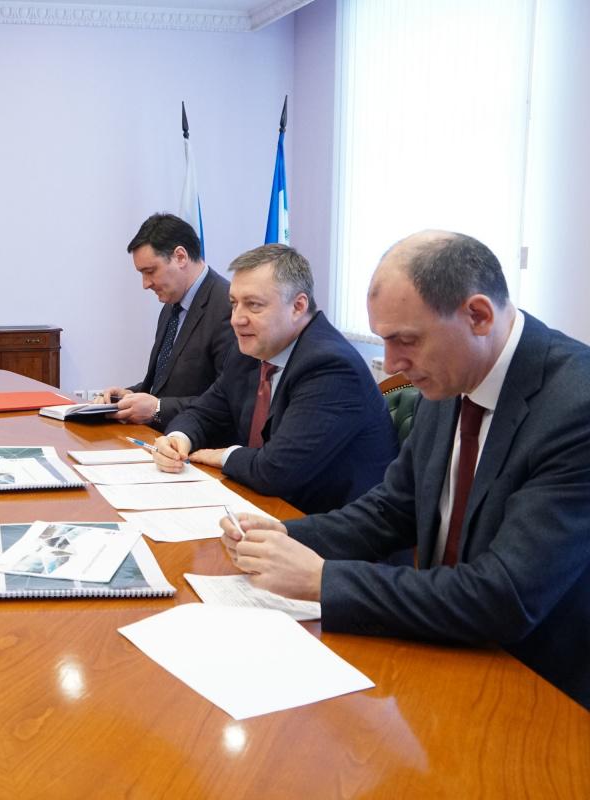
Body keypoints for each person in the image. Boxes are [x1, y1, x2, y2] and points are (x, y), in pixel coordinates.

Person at [222, 231, 590, 709]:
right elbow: (390, 510)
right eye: (384, 340)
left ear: (478, 316)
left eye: (406, 340)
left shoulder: (575, 406)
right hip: (440, 652)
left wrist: (322, 580)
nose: (393, 365)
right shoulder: (451, 374)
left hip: (536, 687)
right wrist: (285, 536)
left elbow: (505, 596)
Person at [154, 244, 397, 514]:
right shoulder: (251, 349)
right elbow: (205, 412)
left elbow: (276, 470)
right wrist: (179, 439)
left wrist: (223, 455)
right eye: (234, 304)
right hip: (265, 506)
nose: (236, 319)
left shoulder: (330, 366)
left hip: (325, 523)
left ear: (298, 306)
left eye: (253, 305)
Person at [93, 213, 235, 427]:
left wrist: (158, 409)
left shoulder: (228, 307)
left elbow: (227, 401)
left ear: (180, 257)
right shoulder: (171, 305)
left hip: (196, 441)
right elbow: (165, 384)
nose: (145, 284)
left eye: (150, 271)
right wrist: (128, 396)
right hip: (158, 436)